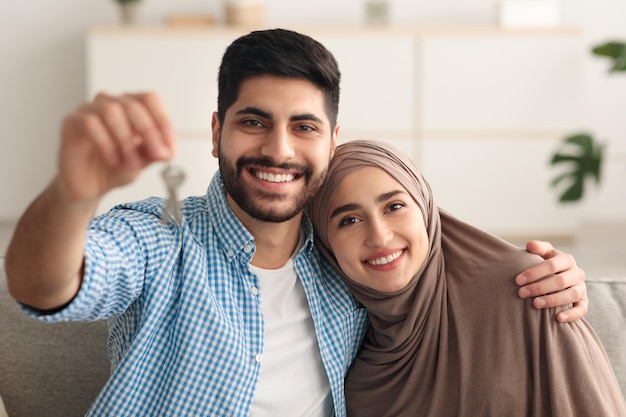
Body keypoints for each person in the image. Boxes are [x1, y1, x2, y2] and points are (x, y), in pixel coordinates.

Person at [4, 29, 588, 417]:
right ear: (216, 133)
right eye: (254, 122)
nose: (278, 150)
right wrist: (73, 194)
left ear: (334, 142)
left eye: (304, 127)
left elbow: (440, 279)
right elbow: (46, 286)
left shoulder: (349, 259)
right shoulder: (159, 238)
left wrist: (551, 277)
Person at [309, 140, 626, 417]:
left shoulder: (528, 286)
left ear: (426, 209)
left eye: (394, 206)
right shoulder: (337, 346)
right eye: (349, 220)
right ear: (326, 243)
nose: (379, 236)